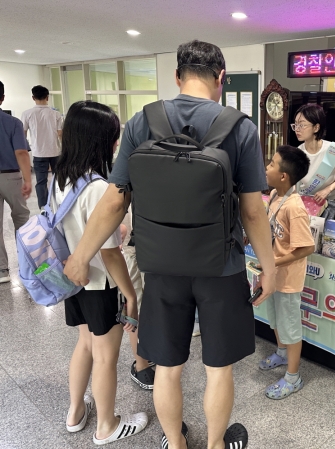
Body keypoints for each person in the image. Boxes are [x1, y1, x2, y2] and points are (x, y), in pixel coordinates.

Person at [63, 40, 276, 449]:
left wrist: (80, 256)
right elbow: (253, 212)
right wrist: (269, 268)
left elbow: (114, 201)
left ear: (177, 77)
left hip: (160, 265)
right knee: (218, 368)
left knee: (167, 366)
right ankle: (215, 445)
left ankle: (175, 443)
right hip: (222, 267)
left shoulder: (141, 123)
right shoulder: (241, 127)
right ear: (221, 78)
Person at [54, 101, 147, 444]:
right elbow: (109, 254)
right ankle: (107, 425)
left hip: (73, 280)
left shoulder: (61, 179)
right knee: (106, 356)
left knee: (84, 345)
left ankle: (76, 412)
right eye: (113, 136)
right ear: (99, 140)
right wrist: (131, 294)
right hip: (99, 284)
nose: (116, 143)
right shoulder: (97, 189)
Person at [260, 145, 314, 399]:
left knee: (290, 328)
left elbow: (307, 247)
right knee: (275, 320)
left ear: (283, 176)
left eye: (271, 164)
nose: (266, 167)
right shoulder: (274, 195)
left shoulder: (295, 207)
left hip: (288, 279)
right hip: (273, 275)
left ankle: (293, 378)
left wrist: (276, 261)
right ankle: (281, 353)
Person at [294, 104, 335, 221]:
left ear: (316, 127)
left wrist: (328, 189)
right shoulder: (297, 153)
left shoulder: (334, 150)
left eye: (302, 124)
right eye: (295, 124)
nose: (297, 128)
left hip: (332, 204)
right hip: (308, 205)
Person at [0, 80, 31, 283]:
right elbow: (21, 152)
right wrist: (28, 178)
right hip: (11, 176)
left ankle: (1, 270)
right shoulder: (12, 123)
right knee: (21, 218)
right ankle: (27, 263)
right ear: (2, 98)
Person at [118, 224, 155, 390]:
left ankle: (148, 354)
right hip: (133, 247)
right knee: (136, 307)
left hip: (151, 246)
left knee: (151, 304)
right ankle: (141, 365)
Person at [21, 85, 63, 209]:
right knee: (58, 180)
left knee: (41, 182)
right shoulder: (56, 114)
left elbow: (23, 134)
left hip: (38, 153)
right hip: (55, 151)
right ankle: (59, 204)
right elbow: (60, 134)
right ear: (47, 97)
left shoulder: (27, 114)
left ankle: (43, 208)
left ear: (33, 98)